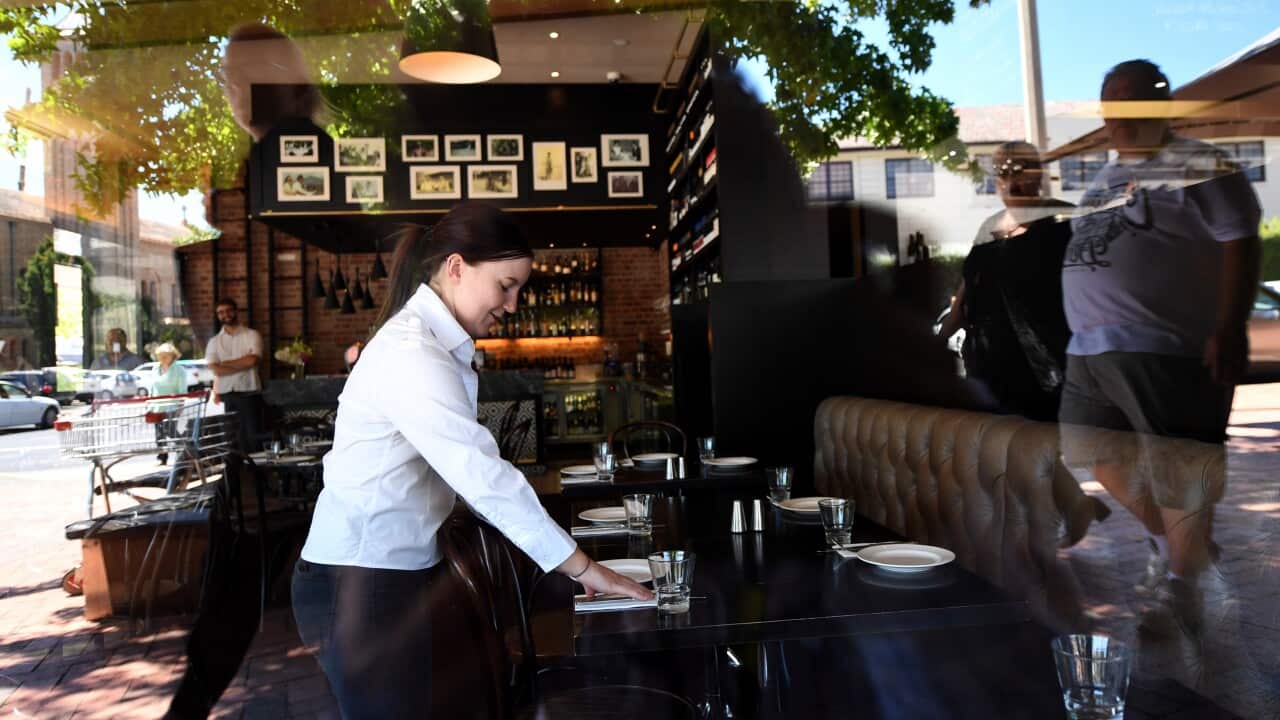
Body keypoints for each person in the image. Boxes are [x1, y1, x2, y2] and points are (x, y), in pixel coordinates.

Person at [291, 203, 649, 718]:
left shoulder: (438, 344)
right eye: (505, 285)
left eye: (519, 289)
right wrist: (585, 569)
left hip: (390, 575)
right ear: (456, 268)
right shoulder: (411, 351)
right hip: (361, 579)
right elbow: (480, 475)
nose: (513, 303)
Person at [1059, 59, 1261, 638]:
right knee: (1098, 456)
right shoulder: (1101, 181)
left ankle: (1183, 591)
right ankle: (1174, 546)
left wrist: (1230, 325)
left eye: (1134, 96)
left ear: (1162, 102)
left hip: (1166, 347)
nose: (1122, 108)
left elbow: (1239, 242)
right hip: (1089, 351)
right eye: (1111, 98)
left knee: (1179, 473)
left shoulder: (1199, 162)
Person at [938, 141, 1074, 420]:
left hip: (1049, 380)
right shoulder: (990, 228)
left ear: (1037, 174)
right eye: (1002, 171)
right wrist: (935, 342)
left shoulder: (1064, 220)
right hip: (988, 377)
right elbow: (967, 292)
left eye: (1020, 168)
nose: (1010, 180)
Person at [205, 298, 264, 452]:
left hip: (249, 394)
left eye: (229, 310)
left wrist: (224, 364)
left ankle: (255, 474)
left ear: (236, 311)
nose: (226, 315)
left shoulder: (252, 335)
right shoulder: (214, 342)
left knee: (252, 438)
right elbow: (215, 369)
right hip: (226, 396)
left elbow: (252, 361)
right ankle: (235, 475)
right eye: (221, 312)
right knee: (230, 441)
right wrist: (240, 363)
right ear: (217, 315)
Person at [148, 342, 188, 465]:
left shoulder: (179, 370)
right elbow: (152, 386)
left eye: (165, 355)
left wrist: (181, 405)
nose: (162, 358)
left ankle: (184, 450)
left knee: (170, 430)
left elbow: (182, 390)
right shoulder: (155, 368)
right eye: (160, 355)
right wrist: (149, 401)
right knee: (159, 434)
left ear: (173, 356)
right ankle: (162, 457)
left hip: (171, 406)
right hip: (156, 406)